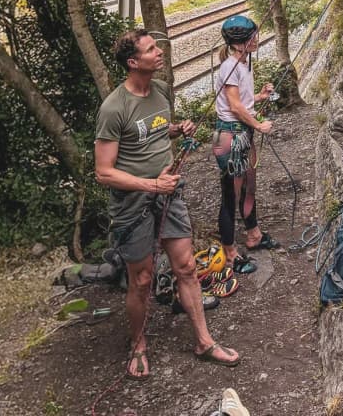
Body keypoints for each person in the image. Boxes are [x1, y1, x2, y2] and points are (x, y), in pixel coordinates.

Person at [95, 29, 240, 378]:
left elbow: (153, 131)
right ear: (133, 62)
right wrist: (151, 185)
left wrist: (175, 129)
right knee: (142, 279)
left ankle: (204, 341)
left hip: (169, 191)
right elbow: (103, 172)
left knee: (186, 267)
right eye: (150, 49)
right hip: (133, 202)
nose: (159, 52)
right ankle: (138, 344)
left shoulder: (160, 91)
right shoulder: (114, 108)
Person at [212, 15, 279, 276]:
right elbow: (234, 106)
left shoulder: (244, 62)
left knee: (249, 187)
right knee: (231, 195)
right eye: (252, 36)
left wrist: (260, 95)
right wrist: (259, 125)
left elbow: (243, 100)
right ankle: (229, 253)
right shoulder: (229, 67)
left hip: (242, 132)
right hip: (230, 135)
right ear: (239, 43)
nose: (257, 39)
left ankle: (254, 234)